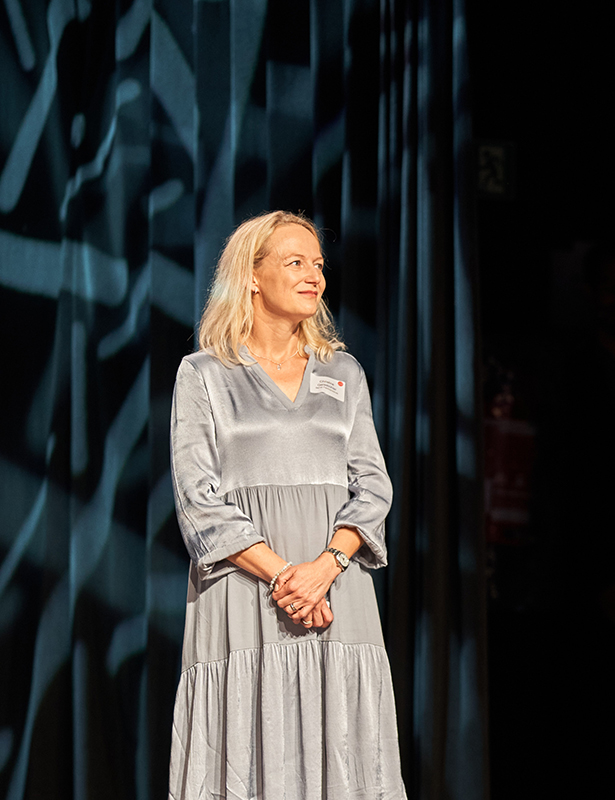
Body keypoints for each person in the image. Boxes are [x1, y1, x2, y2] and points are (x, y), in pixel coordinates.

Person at [169, 211, 406, 799]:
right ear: (251, 276)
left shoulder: (343, 370)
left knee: (343, 752)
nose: (314, 276)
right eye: (295, 262)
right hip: (246, 589)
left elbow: (373, 484)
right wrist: (286, 578)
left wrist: (325, 568)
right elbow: (198, 498)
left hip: (336, 585)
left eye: (319, 265)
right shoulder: (204, 374)